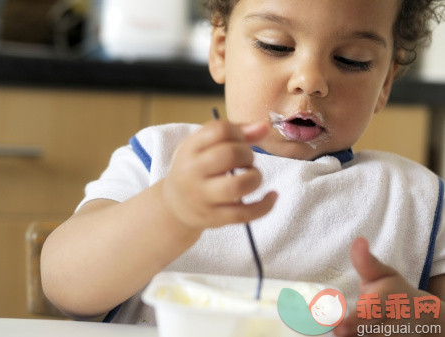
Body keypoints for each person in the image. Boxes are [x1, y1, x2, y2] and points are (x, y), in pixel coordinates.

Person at [41, 0, 445, 335]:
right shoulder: (161, 159)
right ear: (220, 51)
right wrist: (169, 208)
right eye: (275, 46)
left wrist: (427, 320)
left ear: (386, 83)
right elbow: (65, 287)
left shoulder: (417, 200)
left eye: (351, 60)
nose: (310, 80)